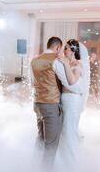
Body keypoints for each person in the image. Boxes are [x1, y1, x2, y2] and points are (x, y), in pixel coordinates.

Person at [31, 37, 82, 171]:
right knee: (51, 145)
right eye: (62, 48)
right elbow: (67, 82)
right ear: (58, 47)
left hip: (37, 104)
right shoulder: (55, 61)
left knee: (41, 138)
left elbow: (33, 83)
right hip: (50, 105)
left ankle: (33, 164)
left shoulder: (34, 60)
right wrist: (78, 91)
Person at [56, 39, 90, 171]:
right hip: (65, 99)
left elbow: (72, 81)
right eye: (65, 47)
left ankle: (71, 165)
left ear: (74, 51)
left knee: (69, 132)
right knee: (65, 131)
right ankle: (64, 162)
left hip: (72, 101)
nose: (65, 50)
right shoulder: (67, 62)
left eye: (67, 48)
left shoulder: (77, 65)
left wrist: (64, 63)